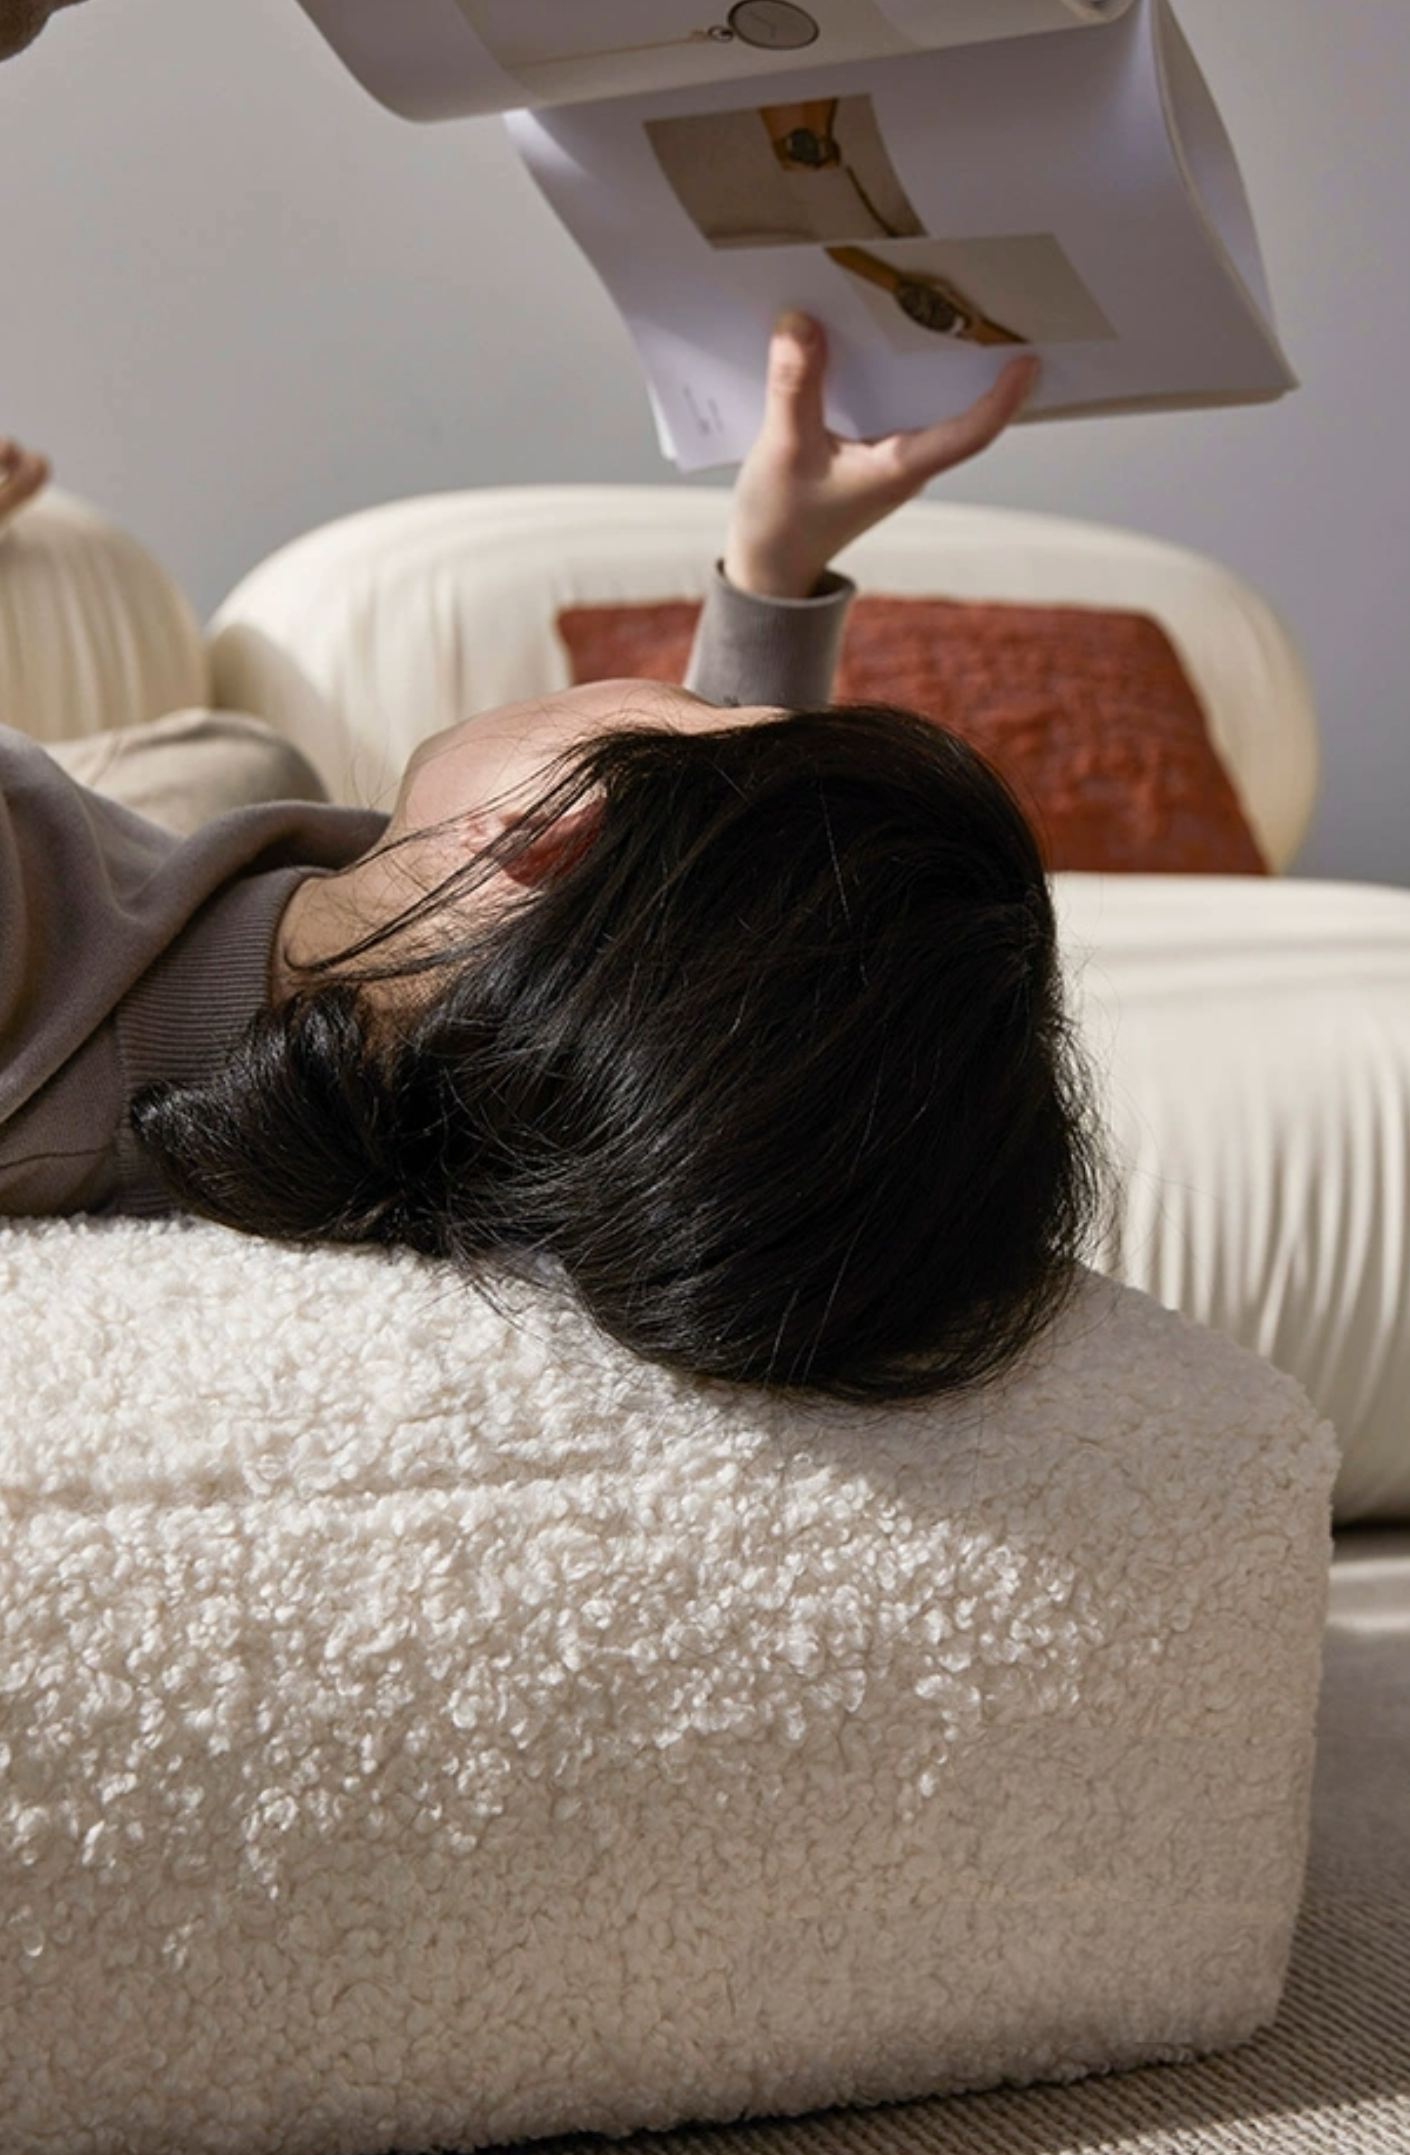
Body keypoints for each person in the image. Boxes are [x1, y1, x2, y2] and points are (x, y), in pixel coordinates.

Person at [1, 316, 1098, 1400]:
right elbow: (688, 966)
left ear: (548, 832)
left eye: (704, 708)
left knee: (232, 759)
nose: (704, 698)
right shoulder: (452, 1144)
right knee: (236, 761)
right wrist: (775, 571)